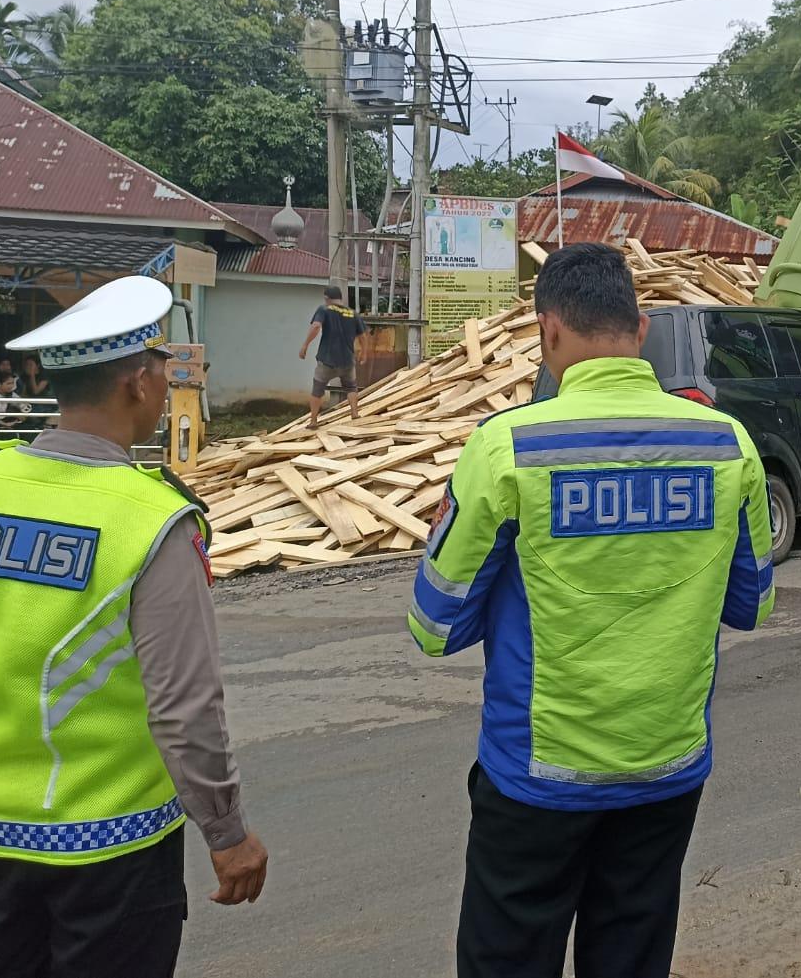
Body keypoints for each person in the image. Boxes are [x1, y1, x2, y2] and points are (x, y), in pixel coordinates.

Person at [406, 242, 776, 978]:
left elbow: (435, 623)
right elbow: (749, 604)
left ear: (547, 333)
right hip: (666, 768)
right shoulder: (727, 445)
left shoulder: (507, 447)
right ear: (640, 332)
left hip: (537, 776)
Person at [0, 275, 267, 978]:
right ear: (137, 383)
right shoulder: (151, 520)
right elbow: (184, 705)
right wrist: (226, 830)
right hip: (116, 853)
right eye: (160, 364)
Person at [298, 284, 367, 429]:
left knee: (317, 389)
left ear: (326, 298)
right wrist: (364, 352)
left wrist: (305, 345)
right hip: (347, 361)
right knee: (351, 388)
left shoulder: (324, 309)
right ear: (340, 298)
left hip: (327, 360)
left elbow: (316, 326)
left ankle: (313, 421)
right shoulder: (353, 313)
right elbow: (363, 336)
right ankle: (354, 414)